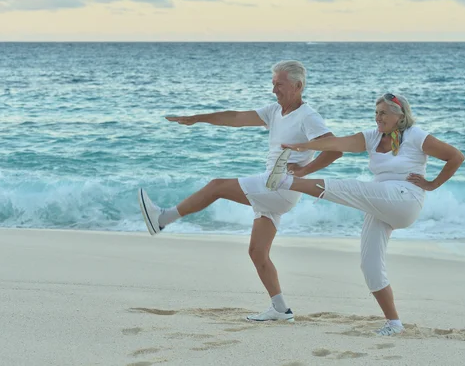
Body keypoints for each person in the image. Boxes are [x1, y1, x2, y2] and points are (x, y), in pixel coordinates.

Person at [137, 60, 342, 322]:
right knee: (257, 252)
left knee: (217, 186)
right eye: (273, 84)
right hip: (274, 188)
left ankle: (162, 219)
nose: (273, 90)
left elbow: (335, 149)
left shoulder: (308, 116)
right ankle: (280, 309)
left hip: (279, 186)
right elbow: (235, 117)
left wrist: (305, 170)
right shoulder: (275, 111)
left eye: (279, 84)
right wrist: (199, 118)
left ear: (298, 86)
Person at [265, 93, 465, 335]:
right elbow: (336, 144)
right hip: (380, 203)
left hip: (405, 199)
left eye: (383, 113)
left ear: (399, 115)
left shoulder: (415, 136)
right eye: (376, 112)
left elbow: (456, 156)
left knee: (352, 187)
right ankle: (394, 324)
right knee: (369, 264)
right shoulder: (372, 137)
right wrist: (303, 146)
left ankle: (284, 182)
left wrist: (432, 184)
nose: (378, 117)